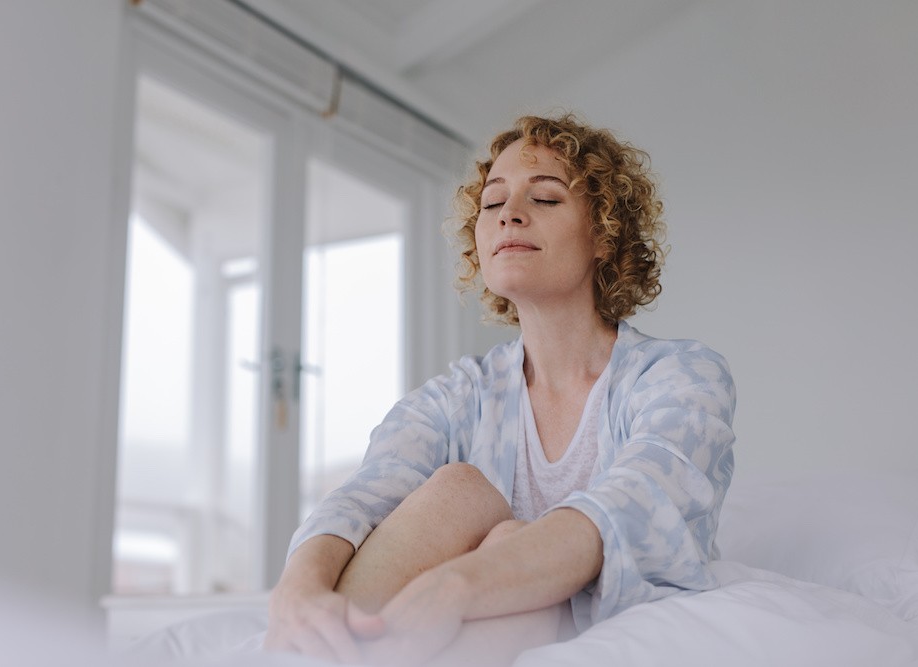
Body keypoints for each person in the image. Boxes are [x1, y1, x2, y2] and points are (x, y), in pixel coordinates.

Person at [263, 114, 736, 666]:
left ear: (604, 236)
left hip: (575, 616)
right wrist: (298, 587)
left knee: (515, 540)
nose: (510, 213)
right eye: (492, 203)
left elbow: (628, 509)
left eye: (547, 199)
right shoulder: (455, 397)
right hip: (421, 632)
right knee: (460, 489)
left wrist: (461, 584)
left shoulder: (681, 376)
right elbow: (368, 494)